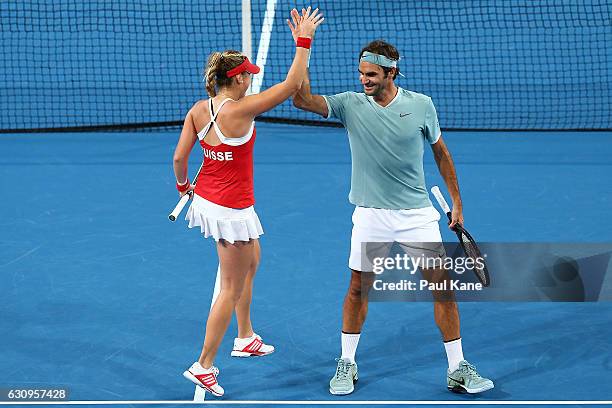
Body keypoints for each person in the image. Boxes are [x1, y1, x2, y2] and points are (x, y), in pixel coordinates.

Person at [290, 36, 494, 395]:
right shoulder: (350, 105)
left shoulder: (421, 105)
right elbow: (301, 98)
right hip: (371, 216)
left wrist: (456, 201)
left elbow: (442, 154)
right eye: (361, 74)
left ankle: (457, 367)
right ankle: (347, 363)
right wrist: (303, 46)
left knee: (442, 289)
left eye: (370, 74)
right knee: (357, 289)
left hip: (417, 215)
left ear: (391, 72)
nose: (363, 80)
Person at [172, 7, 323, 397]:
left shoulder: (198, 110)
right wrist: (303, 41)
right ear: (235, 79)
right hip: (230, 211)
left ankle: (245, 337)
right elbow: (292, 85)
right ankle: (203, 365)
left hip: (211, 200)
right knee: (230, 287)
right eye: (247, 77)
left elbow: (178, 159)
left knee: (253, 261)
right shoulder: (241, 110)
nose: (250, 81)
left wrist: (183, 185)